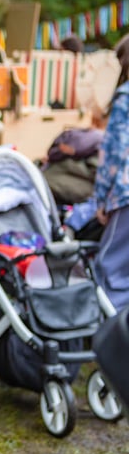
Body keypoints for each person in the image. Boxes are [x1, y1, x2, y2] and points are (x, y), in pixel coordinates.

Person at [94, 33, 129, 313]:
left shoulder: (125, 98)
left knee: (110, 267)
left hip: (125, 193)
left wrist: (101, 198)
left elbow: (114, 153)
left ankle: (114, 342)